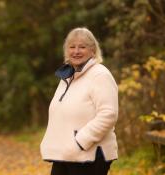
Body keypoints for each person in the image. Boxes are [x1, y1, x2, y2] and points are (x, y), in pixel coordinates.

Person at [40, 27, 118, 175]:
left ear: (93, 51)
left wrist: (80, 142)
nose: (76, 51)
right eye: (72, 46)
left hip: (90, 155)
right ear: (66, 51)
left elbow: (108, 115)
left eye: (82, 47)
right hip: (66, 155)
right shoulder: (67, 77)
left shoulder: (100, 75)